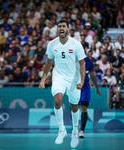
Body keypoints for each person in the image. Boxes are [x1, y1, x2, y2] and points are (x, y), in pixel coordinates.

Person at [39, 20, 86, 148]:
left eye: (64, 26)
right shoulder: (52, 44)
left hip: (74, 79)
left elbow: (82, 64)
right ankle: (61, 129)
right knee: (57, 99)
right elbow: (48, 63)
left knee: (74, 106)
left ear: (68, 29)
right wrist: (43, 78)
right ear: (57, 29)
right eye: (59, 26)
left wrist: (81, 81)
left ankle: (75, 131)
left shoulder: (76, 44)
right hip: (59, 76)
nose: (61, 28)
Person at [79, 57, 101, 138]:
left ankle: (82, 130)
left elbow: (92, 74)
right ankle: (75, 127)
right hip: (74, 87)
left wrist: (97, 88)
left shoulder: (88, 61)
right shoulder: (72, 58)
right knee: (73, 108)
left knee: (83, 107)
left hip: (85, 88)